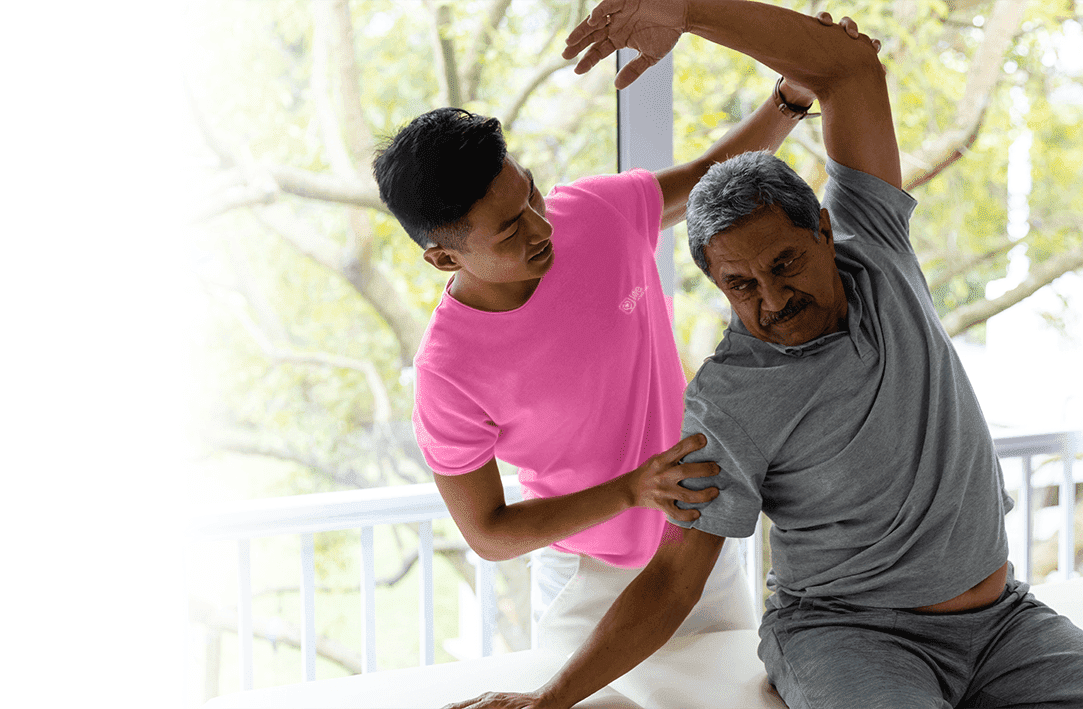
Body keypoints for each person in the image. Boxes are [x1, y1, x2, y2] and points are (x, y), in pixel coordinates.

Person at [440, 1, 1083, 708]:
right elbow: (674, 578)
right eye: (740, 284)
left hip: (1004, 622)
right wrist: (547, 699)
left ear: (824, 230)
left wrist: (682, 10)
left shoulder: (879, 249)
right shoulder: (731, 397)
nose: (771, 300)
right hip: (851, 635)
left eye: (784, 264)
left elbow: (849, 68)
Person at [372, 5, 874, 663]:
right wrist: (631, 489)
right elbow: (489, 534)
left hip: (701, 549)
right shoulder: (447, 370)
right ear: (444, 258)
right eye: (508, 230)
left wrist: (790, 96)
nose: (539, 225)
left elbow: (711, 177)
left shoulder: (591, 212)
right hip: (586, 580)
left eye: (530, 195)